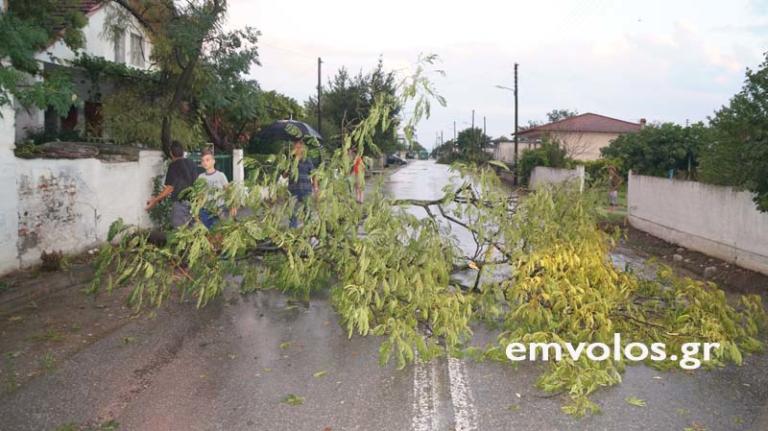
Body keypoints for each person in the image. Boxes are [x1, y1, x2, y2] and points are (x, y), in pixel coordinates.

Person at [145, 140, 199, 228]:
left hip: (180, 204)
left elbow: (169, 188)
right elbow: (197, 183)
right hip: (194, 204)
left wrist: (155, 200)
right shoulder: (192, 163)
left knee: (179, 231)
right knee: (192, 231)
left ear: (171, 153)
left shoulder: (173, 166)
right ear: (183, 152)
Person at [198, 149, 237, 229]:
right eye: (203, 160)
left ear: (213, 161)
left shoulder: (220, 175)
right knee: (207, 232)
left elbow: (228, 191)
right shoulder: (200, 177)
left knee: (219, 231)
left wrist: (233, 206)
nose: (205, 162)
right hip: (205, 210)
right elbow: (199, 195)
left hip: (220, 209)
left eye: (207, 160)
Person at [286, 139, 318, 228]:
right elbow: (284, 175)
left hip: (306, 190)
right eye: (295, 147)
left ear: (303, 148)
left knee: (307, 212)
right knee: (292, 213)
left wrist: (316, 188)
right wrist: (289, 165)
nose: (297, 149)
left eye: (299, 147)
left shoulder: (307, 160)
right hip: (293, 190)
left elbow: (314, 174)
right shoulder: (290, 160)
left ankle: (308, 231)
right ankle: (292, 231)